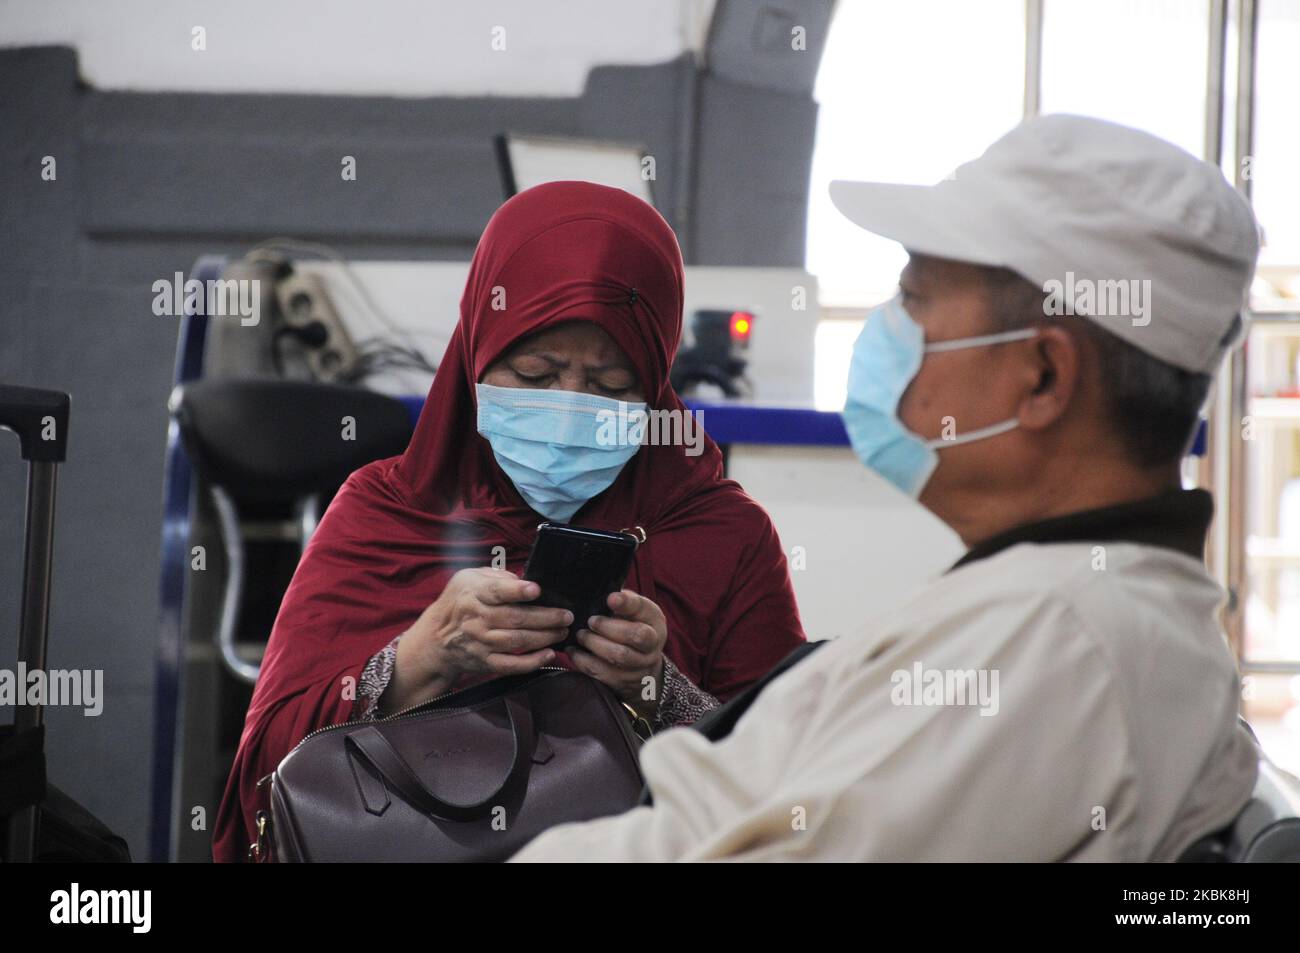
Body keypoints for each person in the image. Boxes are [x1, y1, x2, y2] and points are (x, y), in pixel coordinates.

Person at [511, 114, 1262, 862]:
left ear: (1043, 376)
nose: (887, 334)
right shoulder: (1056, 607)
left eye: (916, 302)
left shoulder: (1050, 645)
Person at [212, 181, 805, 863]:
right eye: (534, 371)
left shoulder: (720, 535)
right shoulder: (386, 510)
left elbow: (792, 782)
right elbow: (266, 771)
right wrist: (420, 657)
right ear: (475, 356)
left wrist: (659, 689)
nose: (571, 405)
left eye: (612, 385)